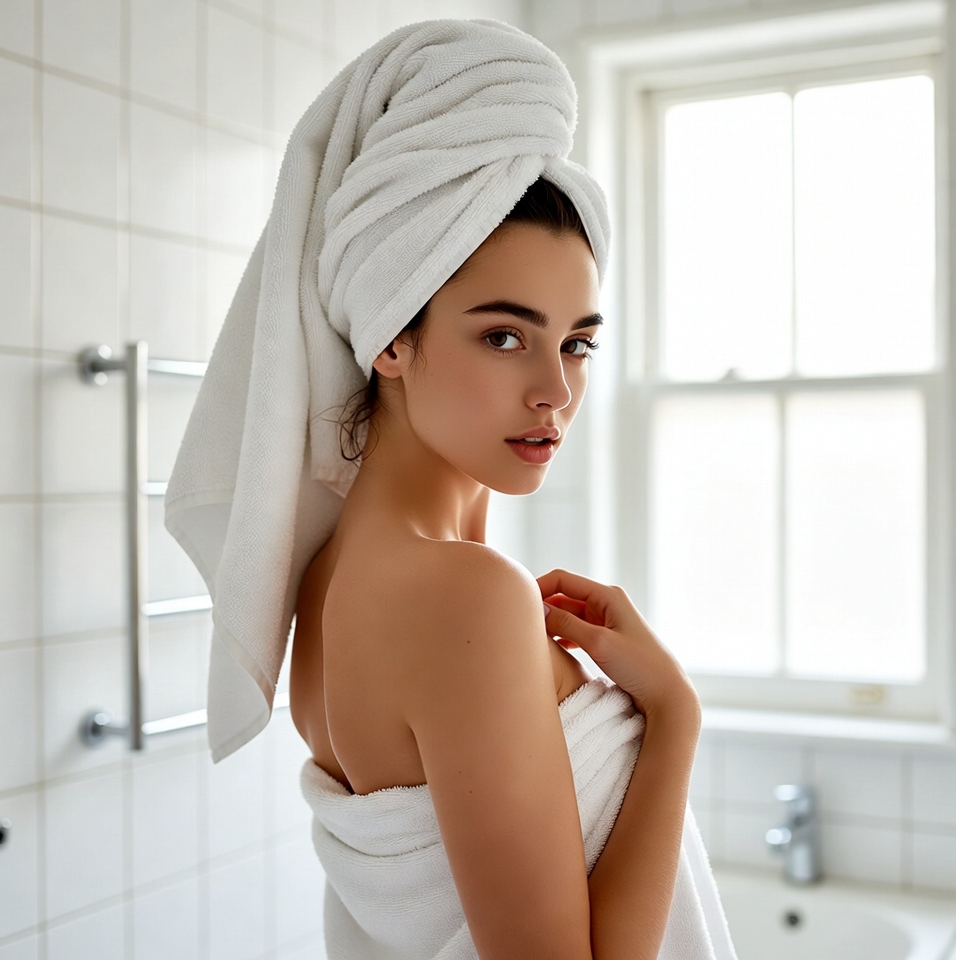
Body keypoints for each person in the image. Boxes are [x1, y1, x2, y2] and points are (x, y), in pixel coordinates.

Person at [165, 17, 736, 960]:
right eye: (504, 335)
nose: (556, 388)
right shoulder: (458, 595)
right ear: (392, 336)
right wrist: (673, 718)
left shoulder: (326, 580)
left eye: (577, 342)